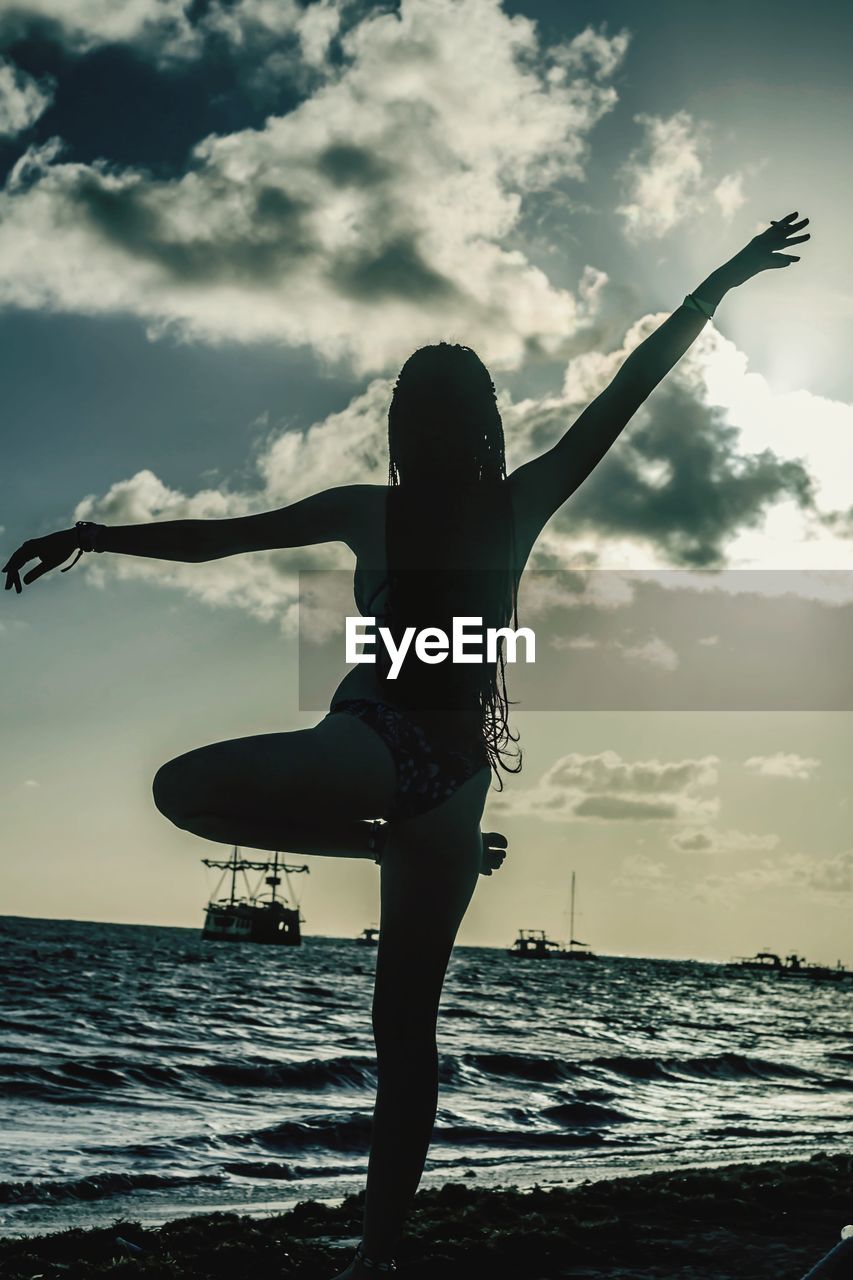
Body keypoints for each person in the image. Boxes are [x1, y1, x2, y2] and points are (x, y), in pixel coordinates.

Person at [2, 211, 809, 1276]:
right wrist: (725, 277)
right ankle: (377, 1259)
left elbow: (218, 538)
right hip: (454, 787)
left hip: (383, 743)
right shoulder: (514, 502)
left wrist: (94, 535)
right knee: (403, 1037)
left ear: (405, 424)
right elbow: (631, 384)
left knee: (180, 791)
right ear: (483, 425)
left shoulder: (378, 511)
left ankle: (373, 856)